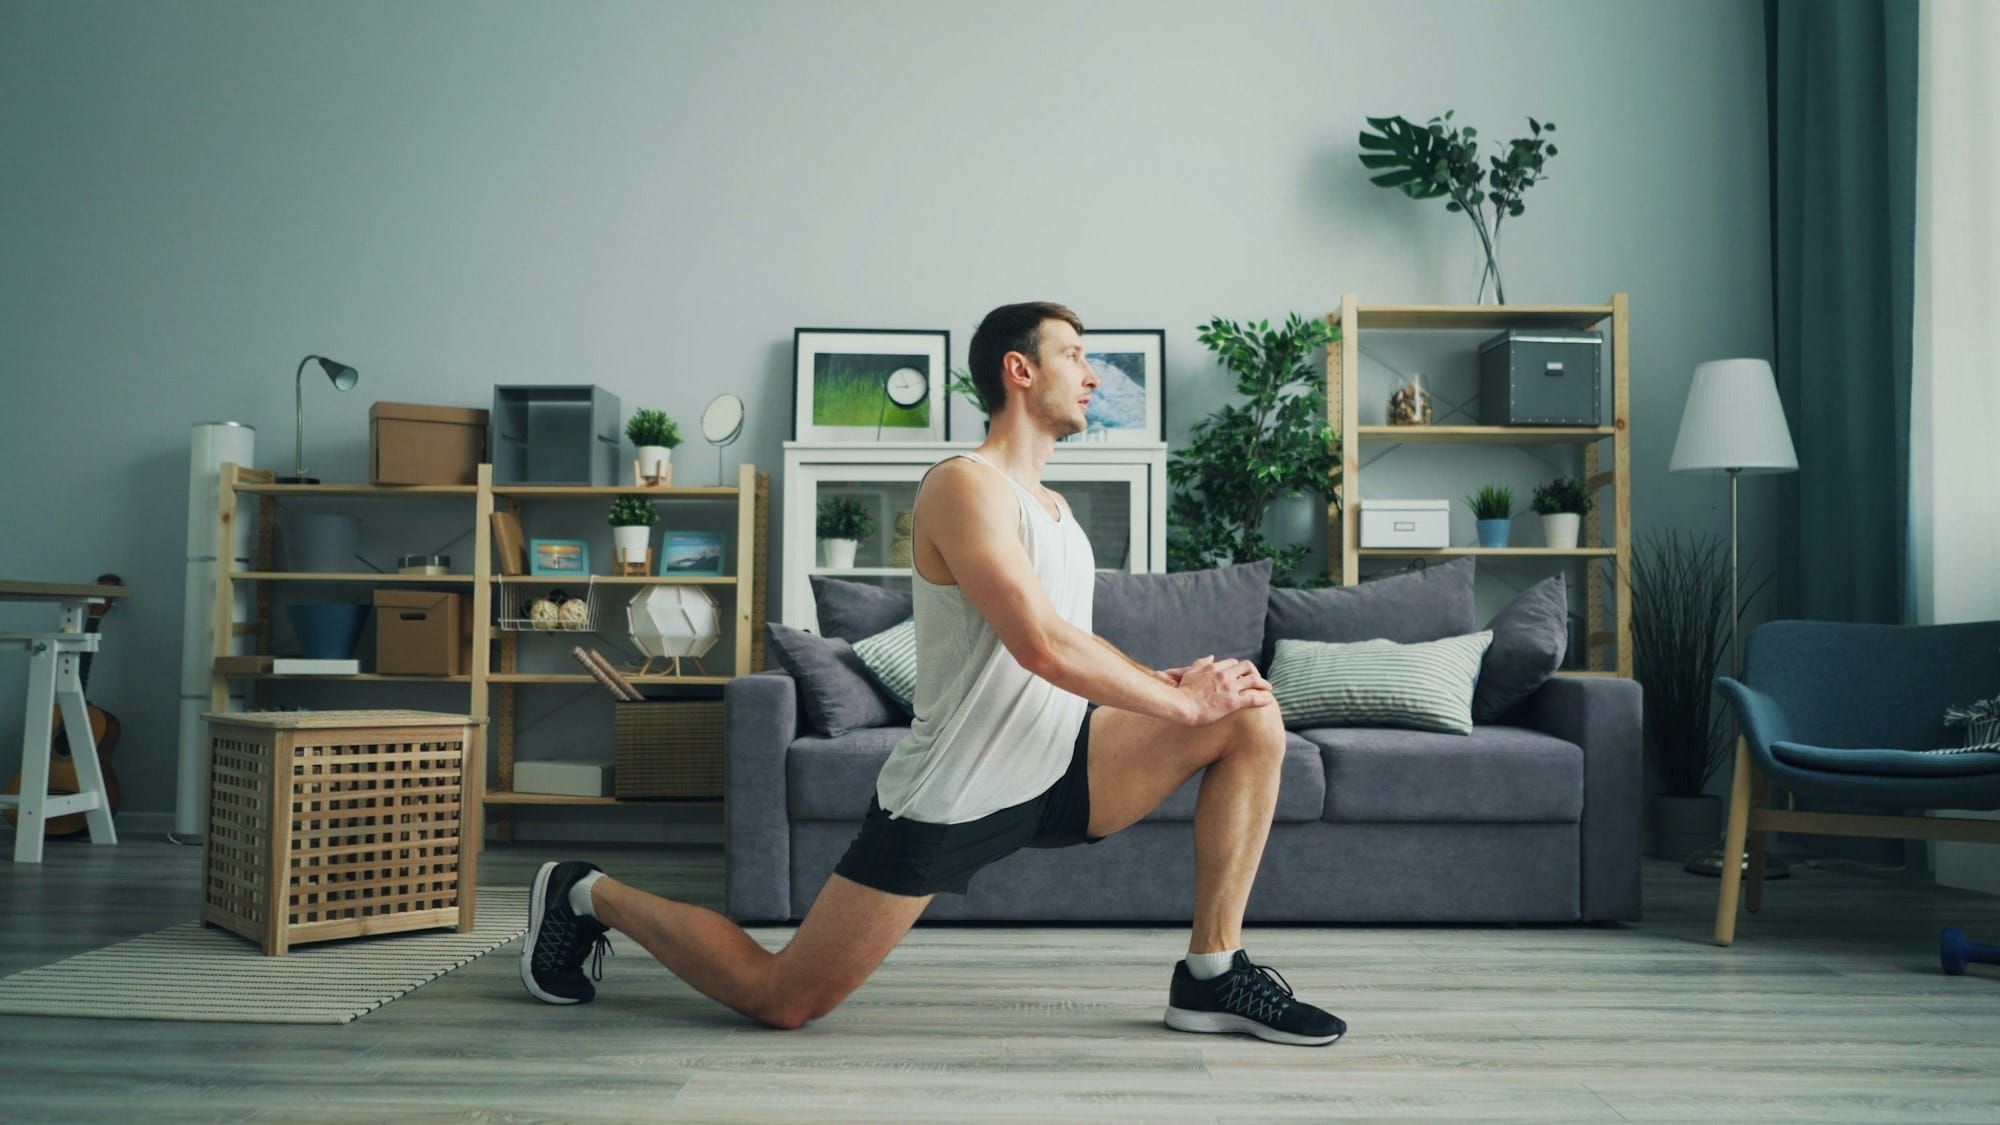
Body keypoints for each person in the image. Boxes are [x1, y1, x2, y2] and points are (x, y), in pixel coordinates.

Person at [521, 301, 1346, 1046]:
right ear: (1019, 371)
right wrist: (1179, 703)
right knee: (783, 997)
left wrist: (1165, 684)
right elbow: (1041, 645)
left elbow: (1072, 635)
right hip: (958, 789)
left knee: (1249, 712)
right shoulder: (963, 486)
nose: (1094, 375)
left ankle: (1211, 974)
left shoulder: (1058, 511)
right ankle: (586, 893)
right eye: (1075, 355)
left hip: (1063, 764)